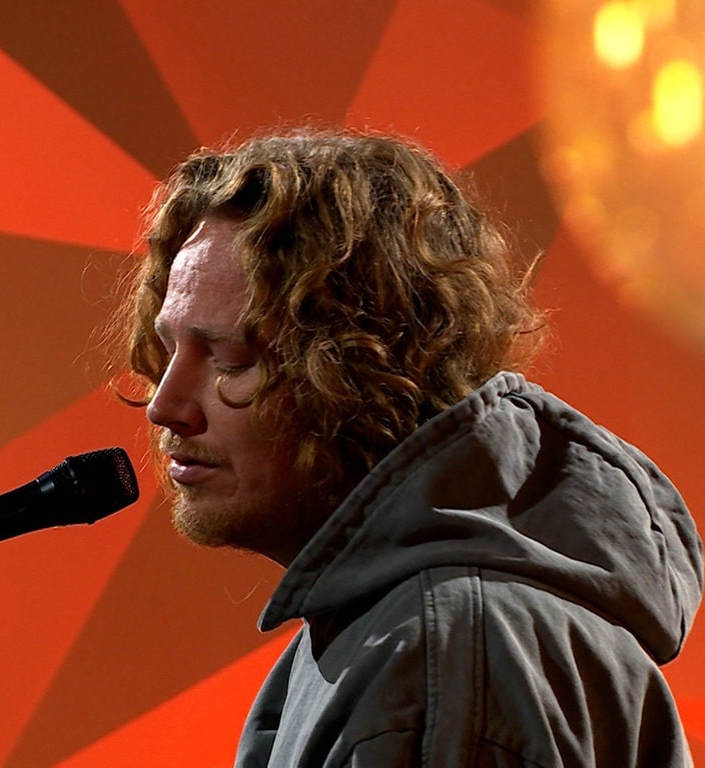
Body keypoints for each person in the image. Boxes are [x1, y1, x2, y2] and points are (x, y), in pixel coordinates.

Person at [118, 129, 702, 766]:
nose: (165, 406)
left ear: (364, 371)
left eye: (230, 359)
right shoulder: (414, 627)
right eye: (170, 349)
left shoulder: (439, 656)